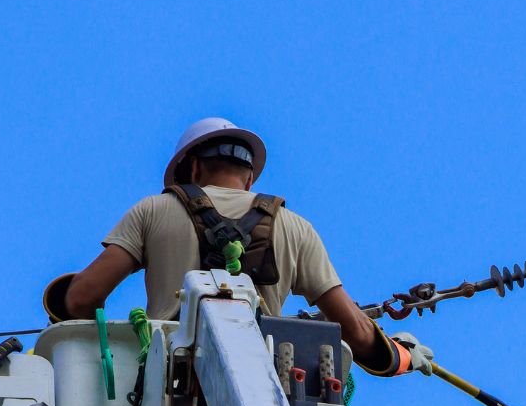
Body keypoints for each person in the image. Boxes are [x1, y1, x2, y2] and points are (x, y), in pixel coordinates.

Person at [49, 117, 428, 378]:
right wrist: (400, 355)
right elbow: (357, 334)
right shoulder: (294, 227)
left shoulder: (154, 209)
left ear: (192, 170)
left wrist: (64, 299)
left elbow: (83, 299)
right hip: (266, 384)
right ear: (248, 178)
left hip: (162, 389)